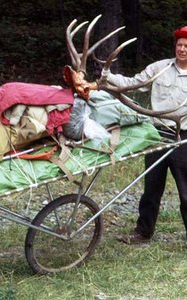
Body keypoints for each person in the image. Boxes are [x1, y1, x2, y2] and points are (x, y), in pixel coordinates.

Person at [106, 26, 187, 244]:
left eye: (186, 46)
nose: (182, 49)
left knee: (186, 192)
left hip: (184, 139)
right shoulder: (160, 68)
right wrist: (108, 77)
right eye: (180, 45)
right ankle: (143, 232)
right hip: (157, 135)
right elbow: (133, 84)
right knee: (151, 188)